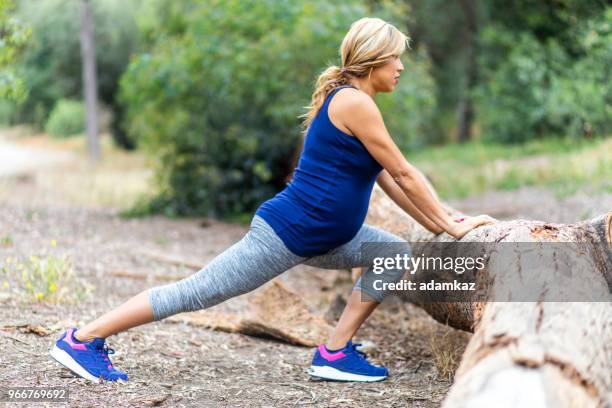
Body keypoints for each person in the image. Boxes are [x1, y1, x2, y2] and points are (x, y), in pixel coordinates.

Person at [48, 17, 495, 384]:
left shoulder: (355, 102)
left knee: (391, 252)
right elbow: (404, 171)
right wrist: (453, 227)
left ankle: (334, 353)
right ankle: (82, 339)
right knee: (194, 293)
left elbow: (389, 179)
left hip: (325, 237)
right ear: (373, 60)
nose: (401, 67)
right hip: (288, 233)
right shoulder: (354, 103)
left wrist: (442, 221)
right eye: (396, 57)